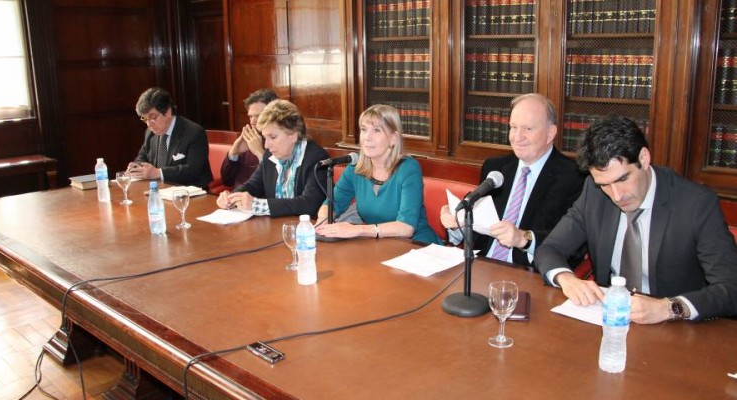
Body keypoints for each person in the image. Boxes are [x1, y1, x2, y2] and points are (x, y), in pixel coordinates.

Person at [535, 115, 737, 323]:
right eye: (604, 184)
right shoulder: (594, 193)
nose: (616, 195)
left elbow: (731, 287)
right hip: (610, 321)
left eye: (623, 179)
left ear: (643, 158)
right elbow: (549, 249)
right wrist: (567, 279)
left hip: (674, 328)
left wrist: (669, 307)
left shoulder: (695, 204)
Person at [440, 93, 585, 267]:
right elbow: (478, 228)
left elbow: (574, 244)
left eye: (528, 129)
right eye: (513, 127)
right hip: (480, 267)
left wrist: (524, 238)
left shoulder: (575, 177)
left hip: (530, 274)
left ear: (550, 133)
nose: (517, 137)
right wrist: (457, 224)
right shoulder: (495, 168)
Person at [315, 104, 440, 244]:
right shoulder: (355, 168)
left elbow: (406, 228)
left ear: (393, 138)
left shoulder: (408, 169)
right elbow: (332, 204)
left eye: (376, 130)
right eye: (364, 129)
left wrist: (358, 230)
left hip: (416, 246)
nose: (367, 137)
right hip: (379, 246)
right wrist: (322, 225)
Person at [216, 100, 328, 217]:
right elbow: (252, 186)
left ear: (293, 135)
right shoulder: (270, 155)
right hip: (275, 227)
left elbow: (309, 204)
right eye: (265, 137)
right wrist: (231, 198)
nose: (266, 145)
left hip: (306, 229)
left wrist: (256, 205)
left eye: (273, 137)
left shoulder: (317, 158)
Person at [128, 87, 212, 188]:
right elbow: (142, 156)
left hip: (189, 192)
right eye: (145, 119)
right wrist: (136, 167)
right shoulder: (150, 133)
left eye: (152, 117)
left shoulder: (194, 132)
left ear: (167, 112)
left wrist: (157, 173)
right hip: (159, 189)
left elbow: (193, 170)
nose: (148, 124)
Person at [221, 88, 279, 188]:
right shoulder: (248, 139)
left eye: (258, 116)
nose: (252, 122)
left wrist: (260, 153)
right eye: (250, 116)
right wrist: (233, 154)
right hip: (237, 199)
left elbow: (277, 186)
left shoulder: (283, 142)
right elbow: (227, 181)